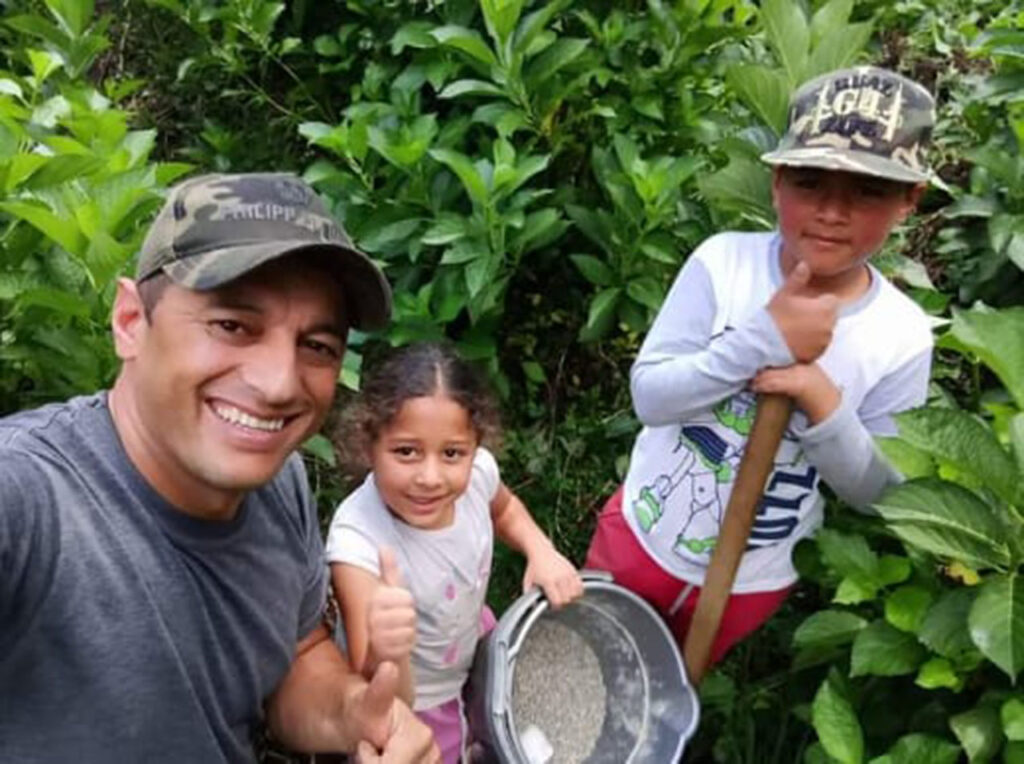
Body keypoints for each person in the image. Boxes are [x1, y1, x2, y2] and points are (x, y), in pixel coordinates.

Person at [0, 172, 440, 763]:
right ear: (131, 321)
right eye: (232, 326)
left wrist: (351, 714)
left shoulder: (277, 481)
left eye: (316, 346)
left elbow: (299, 650)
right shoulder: (28, 497)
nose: (279, 383)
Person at [585, 66, 936, 664]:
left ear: (909, 199)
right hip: (640, 536)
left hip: (752, 580)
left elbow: (882, 494)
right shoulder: (723, 266)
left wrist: (822, 401)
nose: (832, 210)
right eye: (810, 181)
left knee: (668, 688)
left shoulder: (900, 337)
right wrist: (759, 342)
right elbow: (651, 396)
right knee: (584, 656)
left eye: (868, 190)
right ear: (776, 182)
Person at [324, 342, 584, 764]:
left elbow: (505, 509)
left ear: (475, 446)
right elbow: (381, 695)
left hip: (469, 635)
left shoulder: (479, 473)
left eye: (451, 454)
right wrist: (388, 651)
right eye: (406, 451)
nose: (430, 477)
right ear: (368, 445)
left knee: (495, 714)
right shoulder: (358, 543)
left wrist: (541, 549)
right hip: (421, 696)